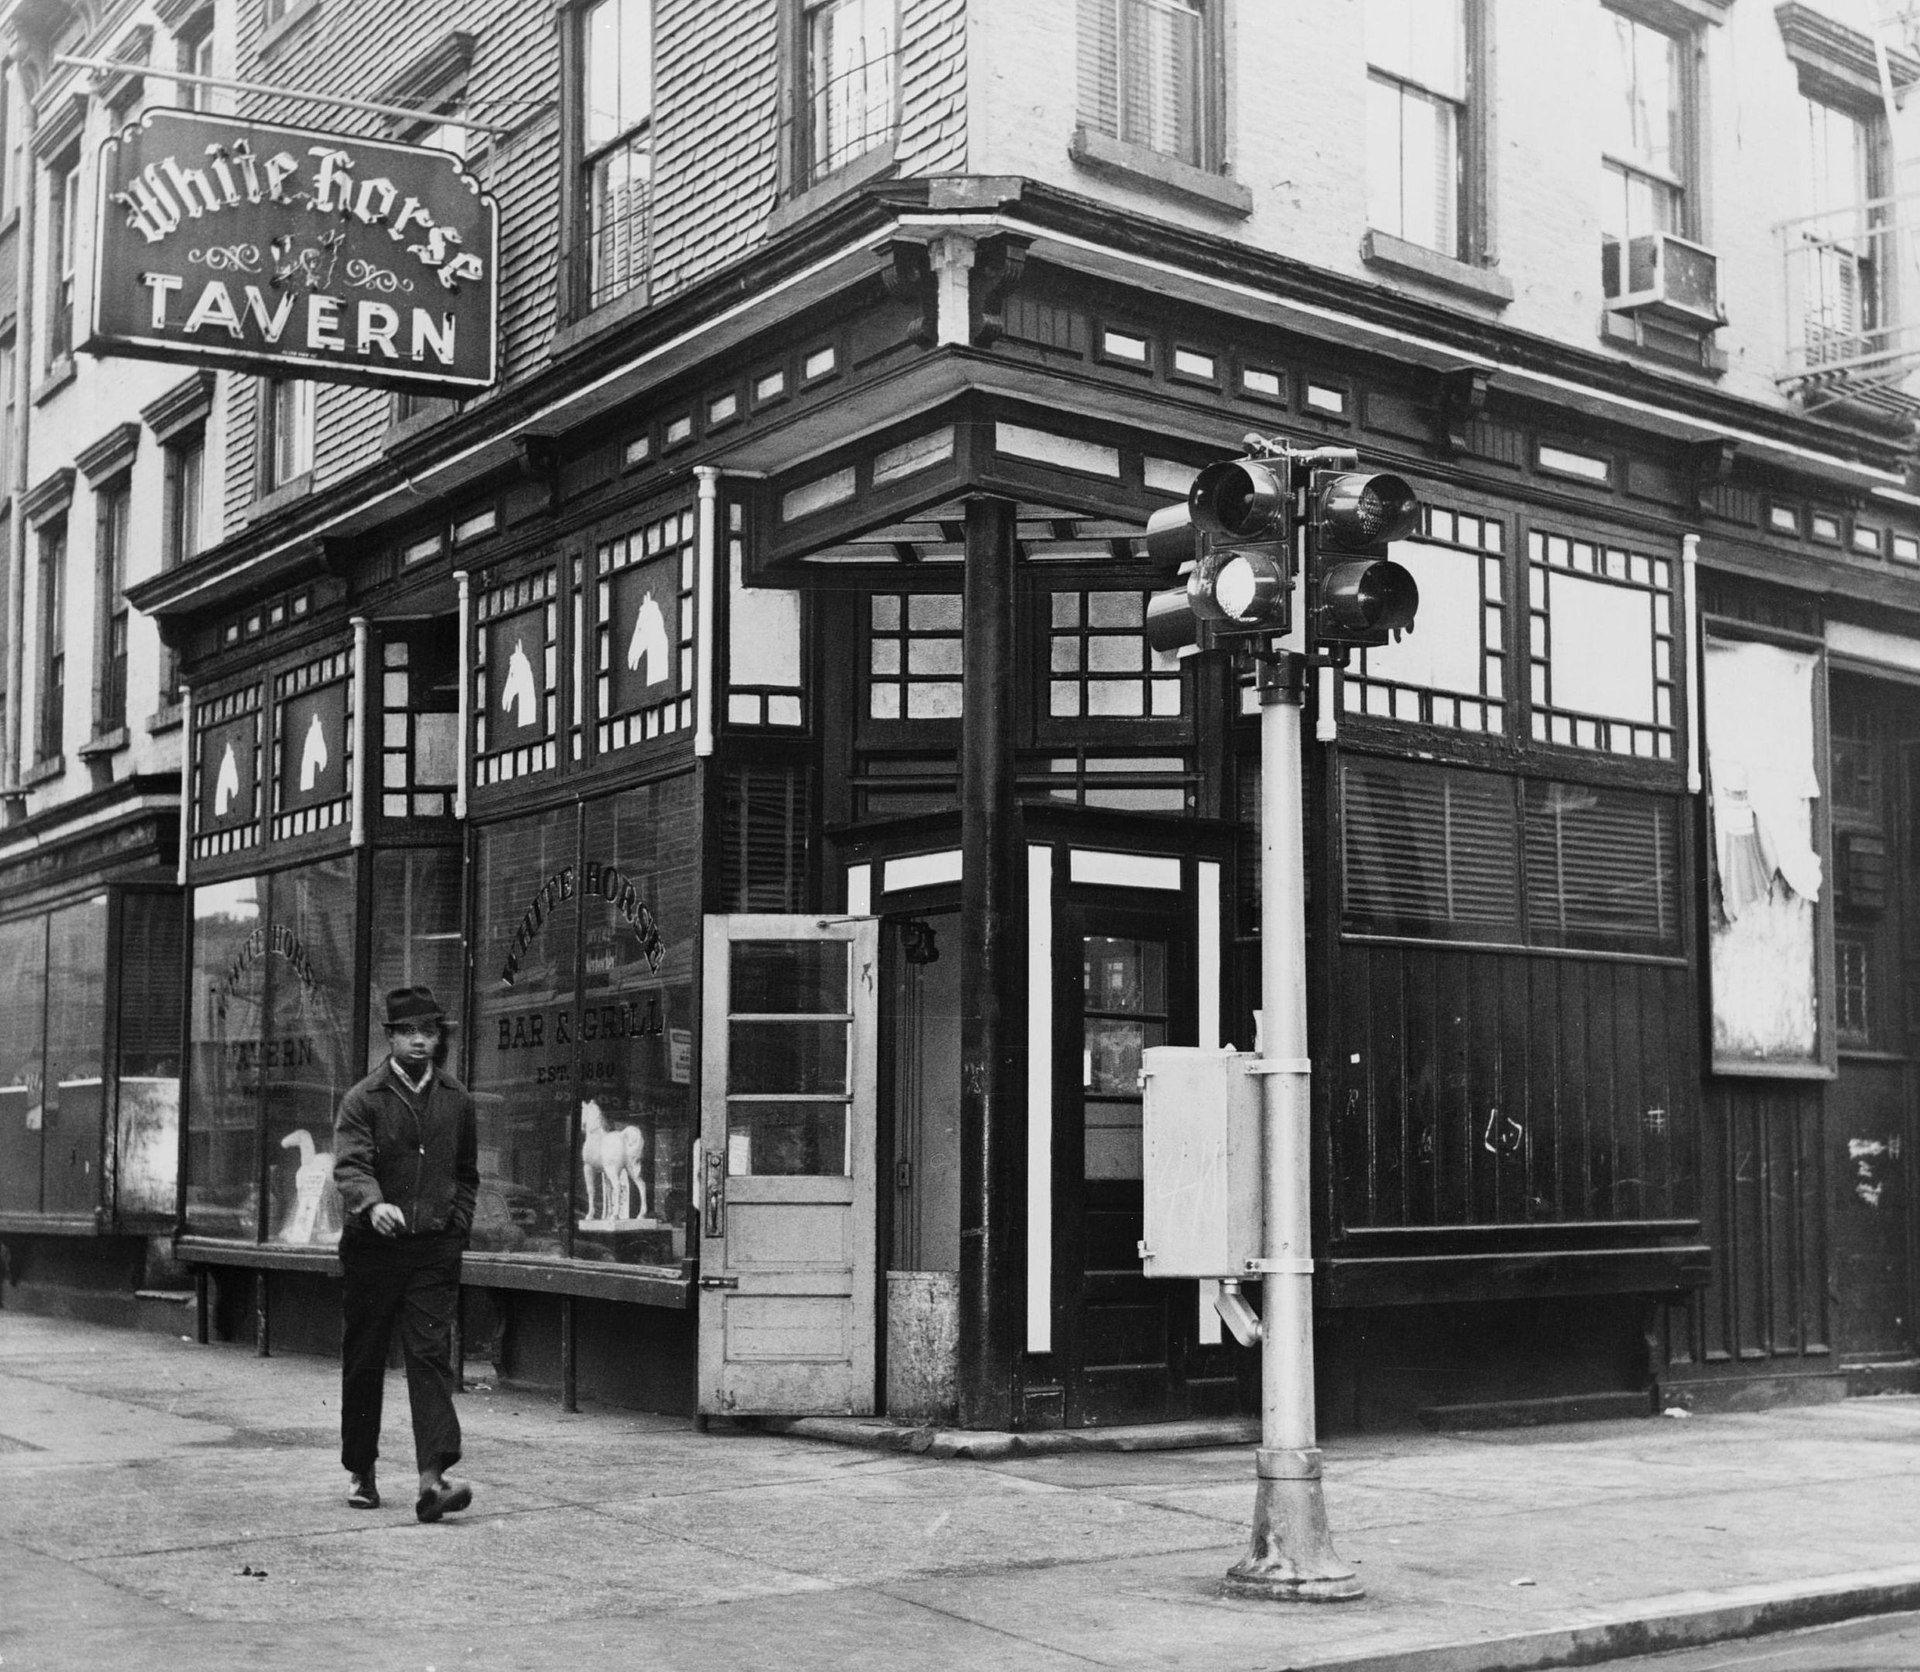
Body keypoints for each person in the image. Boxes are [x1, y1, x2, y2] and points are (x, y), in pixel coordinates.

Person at [332, 985, 479, 1523]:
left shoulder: (457, 1099)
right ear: (390, 1038)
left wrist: (454, 1228)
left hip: (432, 1250)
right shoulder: (362, 1099)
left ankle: (431, 1480)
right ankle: (362, 1472)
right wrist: (372, 1205)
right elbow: (350, 1165)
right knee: (366, 1357)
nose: (421, 1041)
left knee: (429, 1356)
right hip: (373, 1249)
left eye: (430, 1032)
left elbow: (466, 1175)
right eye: (409, 1032)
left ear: (439, 1038)